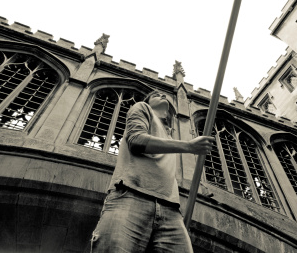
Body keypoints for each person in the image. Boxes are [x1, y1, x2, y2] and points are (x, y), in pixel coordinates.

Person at [90, 90, 215, 253]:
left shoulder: (170, 136)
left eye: (164, 95)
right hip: (131, 195)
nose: (162, 96)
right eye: (156, 95)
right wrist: (189, 146)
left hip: (170, 210)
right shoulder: (142, 108)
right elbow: (136, 140)